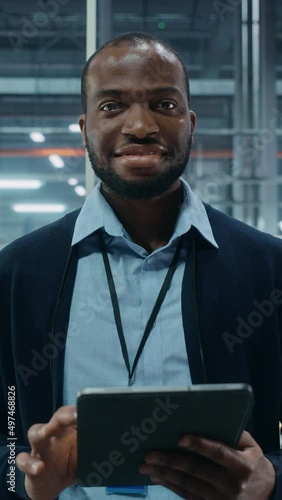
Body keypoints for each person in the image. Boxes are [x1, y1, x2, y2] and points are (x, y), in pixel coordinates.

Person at [0, 31, 282, 500]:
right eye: (112, 106)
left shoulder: (267, 270)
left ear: (190, 123)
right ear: (85, 128)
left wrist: (271, 480)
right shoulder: (17, 276)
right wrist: (21, 482)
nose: (140, 126)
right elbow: (7, 441)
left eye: (164, 105)